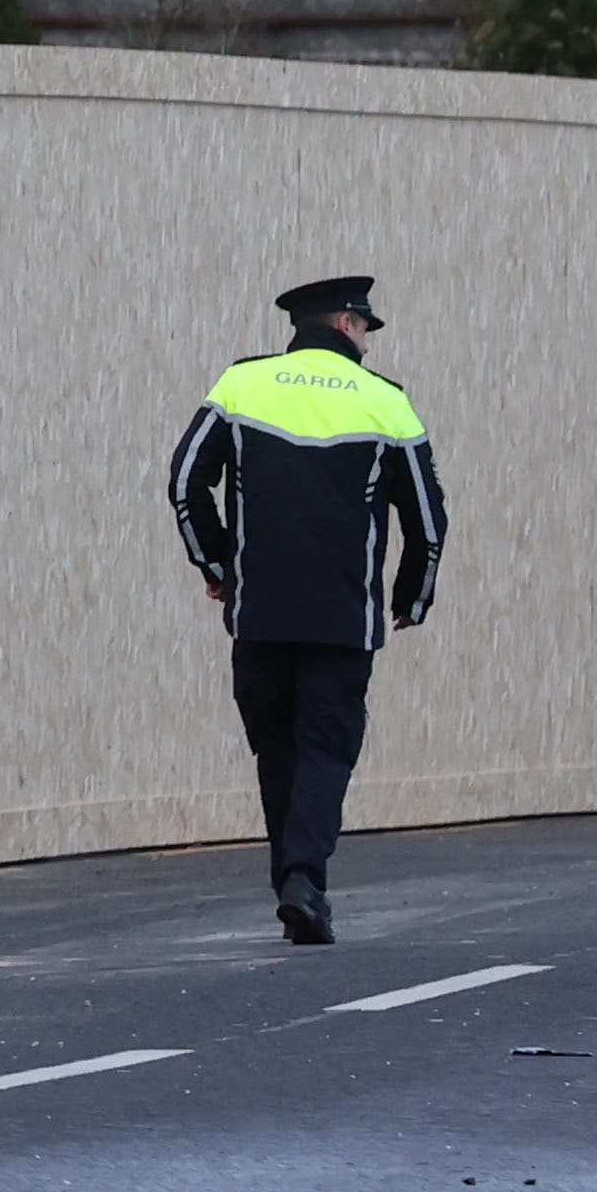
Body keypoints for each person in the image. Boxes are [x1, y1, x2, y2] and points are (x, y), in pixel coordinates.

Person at [165, 275, 447, 946]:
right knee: (326, 746)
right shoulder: (387, 404)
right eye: (365, 330)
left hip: (259, 610)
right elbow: (428, 520)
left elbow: (183, 483)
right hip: (343, 617)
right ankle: (304, 878)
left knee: (277, 746)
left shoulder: (241, 385)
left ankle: (292, 879)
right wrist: (412, 595)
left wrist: (217, 568)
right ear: (349, 324)